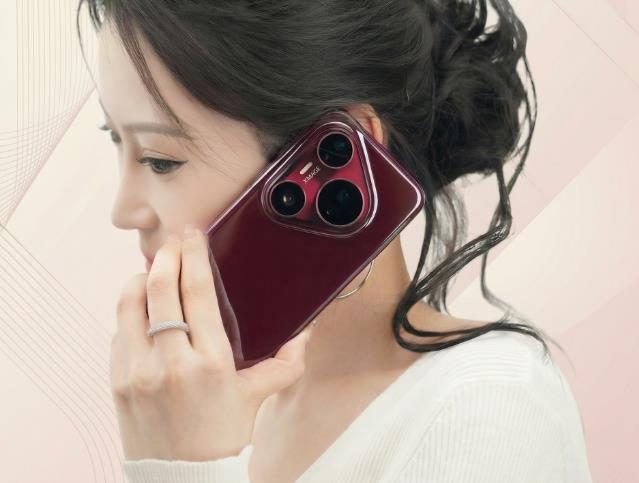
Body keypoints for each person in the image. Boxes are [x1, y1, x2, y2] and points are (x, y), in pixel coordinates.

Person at [78, 0, 593, 481]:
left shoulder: (488, 405)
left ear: (346, 150)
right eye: (116, 140)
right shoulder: (206, 404)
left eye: (160, 160)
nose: (123, 213)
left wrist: (184, 468)